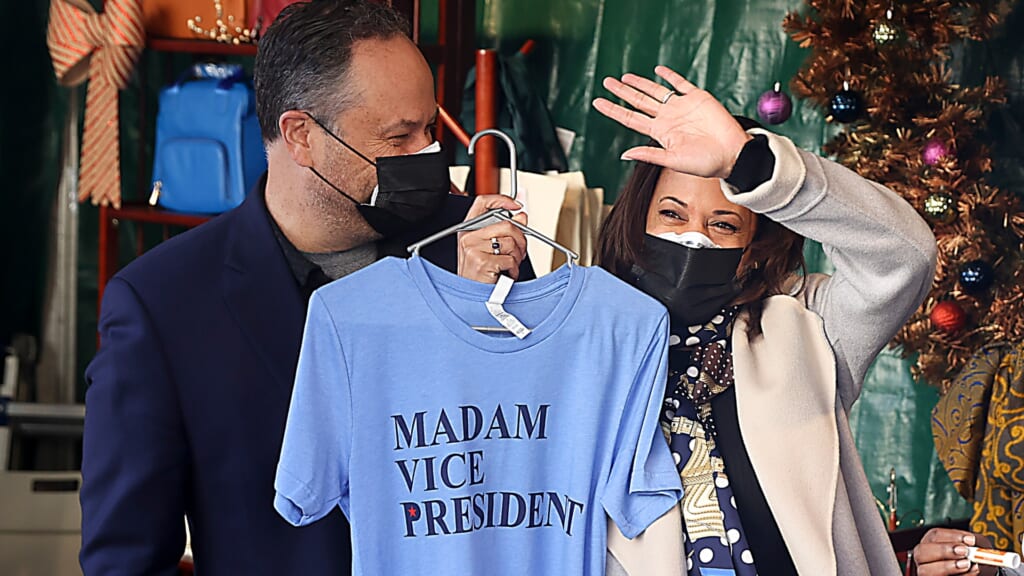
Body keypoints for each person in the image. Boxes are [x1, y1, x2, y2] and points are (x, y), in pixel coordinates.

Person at [79, 1, 530, 574]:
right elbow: (126, 558)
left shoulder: (474, 246)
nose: (427, 155)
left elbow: (533, 449)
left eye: (429, 129)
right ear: (302, 136)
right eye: (399, 137)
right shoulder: (165, 304)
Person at [592, 65, 937, 575]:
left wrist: (749, 164)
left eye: (724, 223)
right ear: (638, 217)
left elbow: (904, 256)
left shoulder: (808, 324)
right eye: (672, 214)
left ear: (755, 241)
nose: (694, 237)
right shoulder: (587, 337)